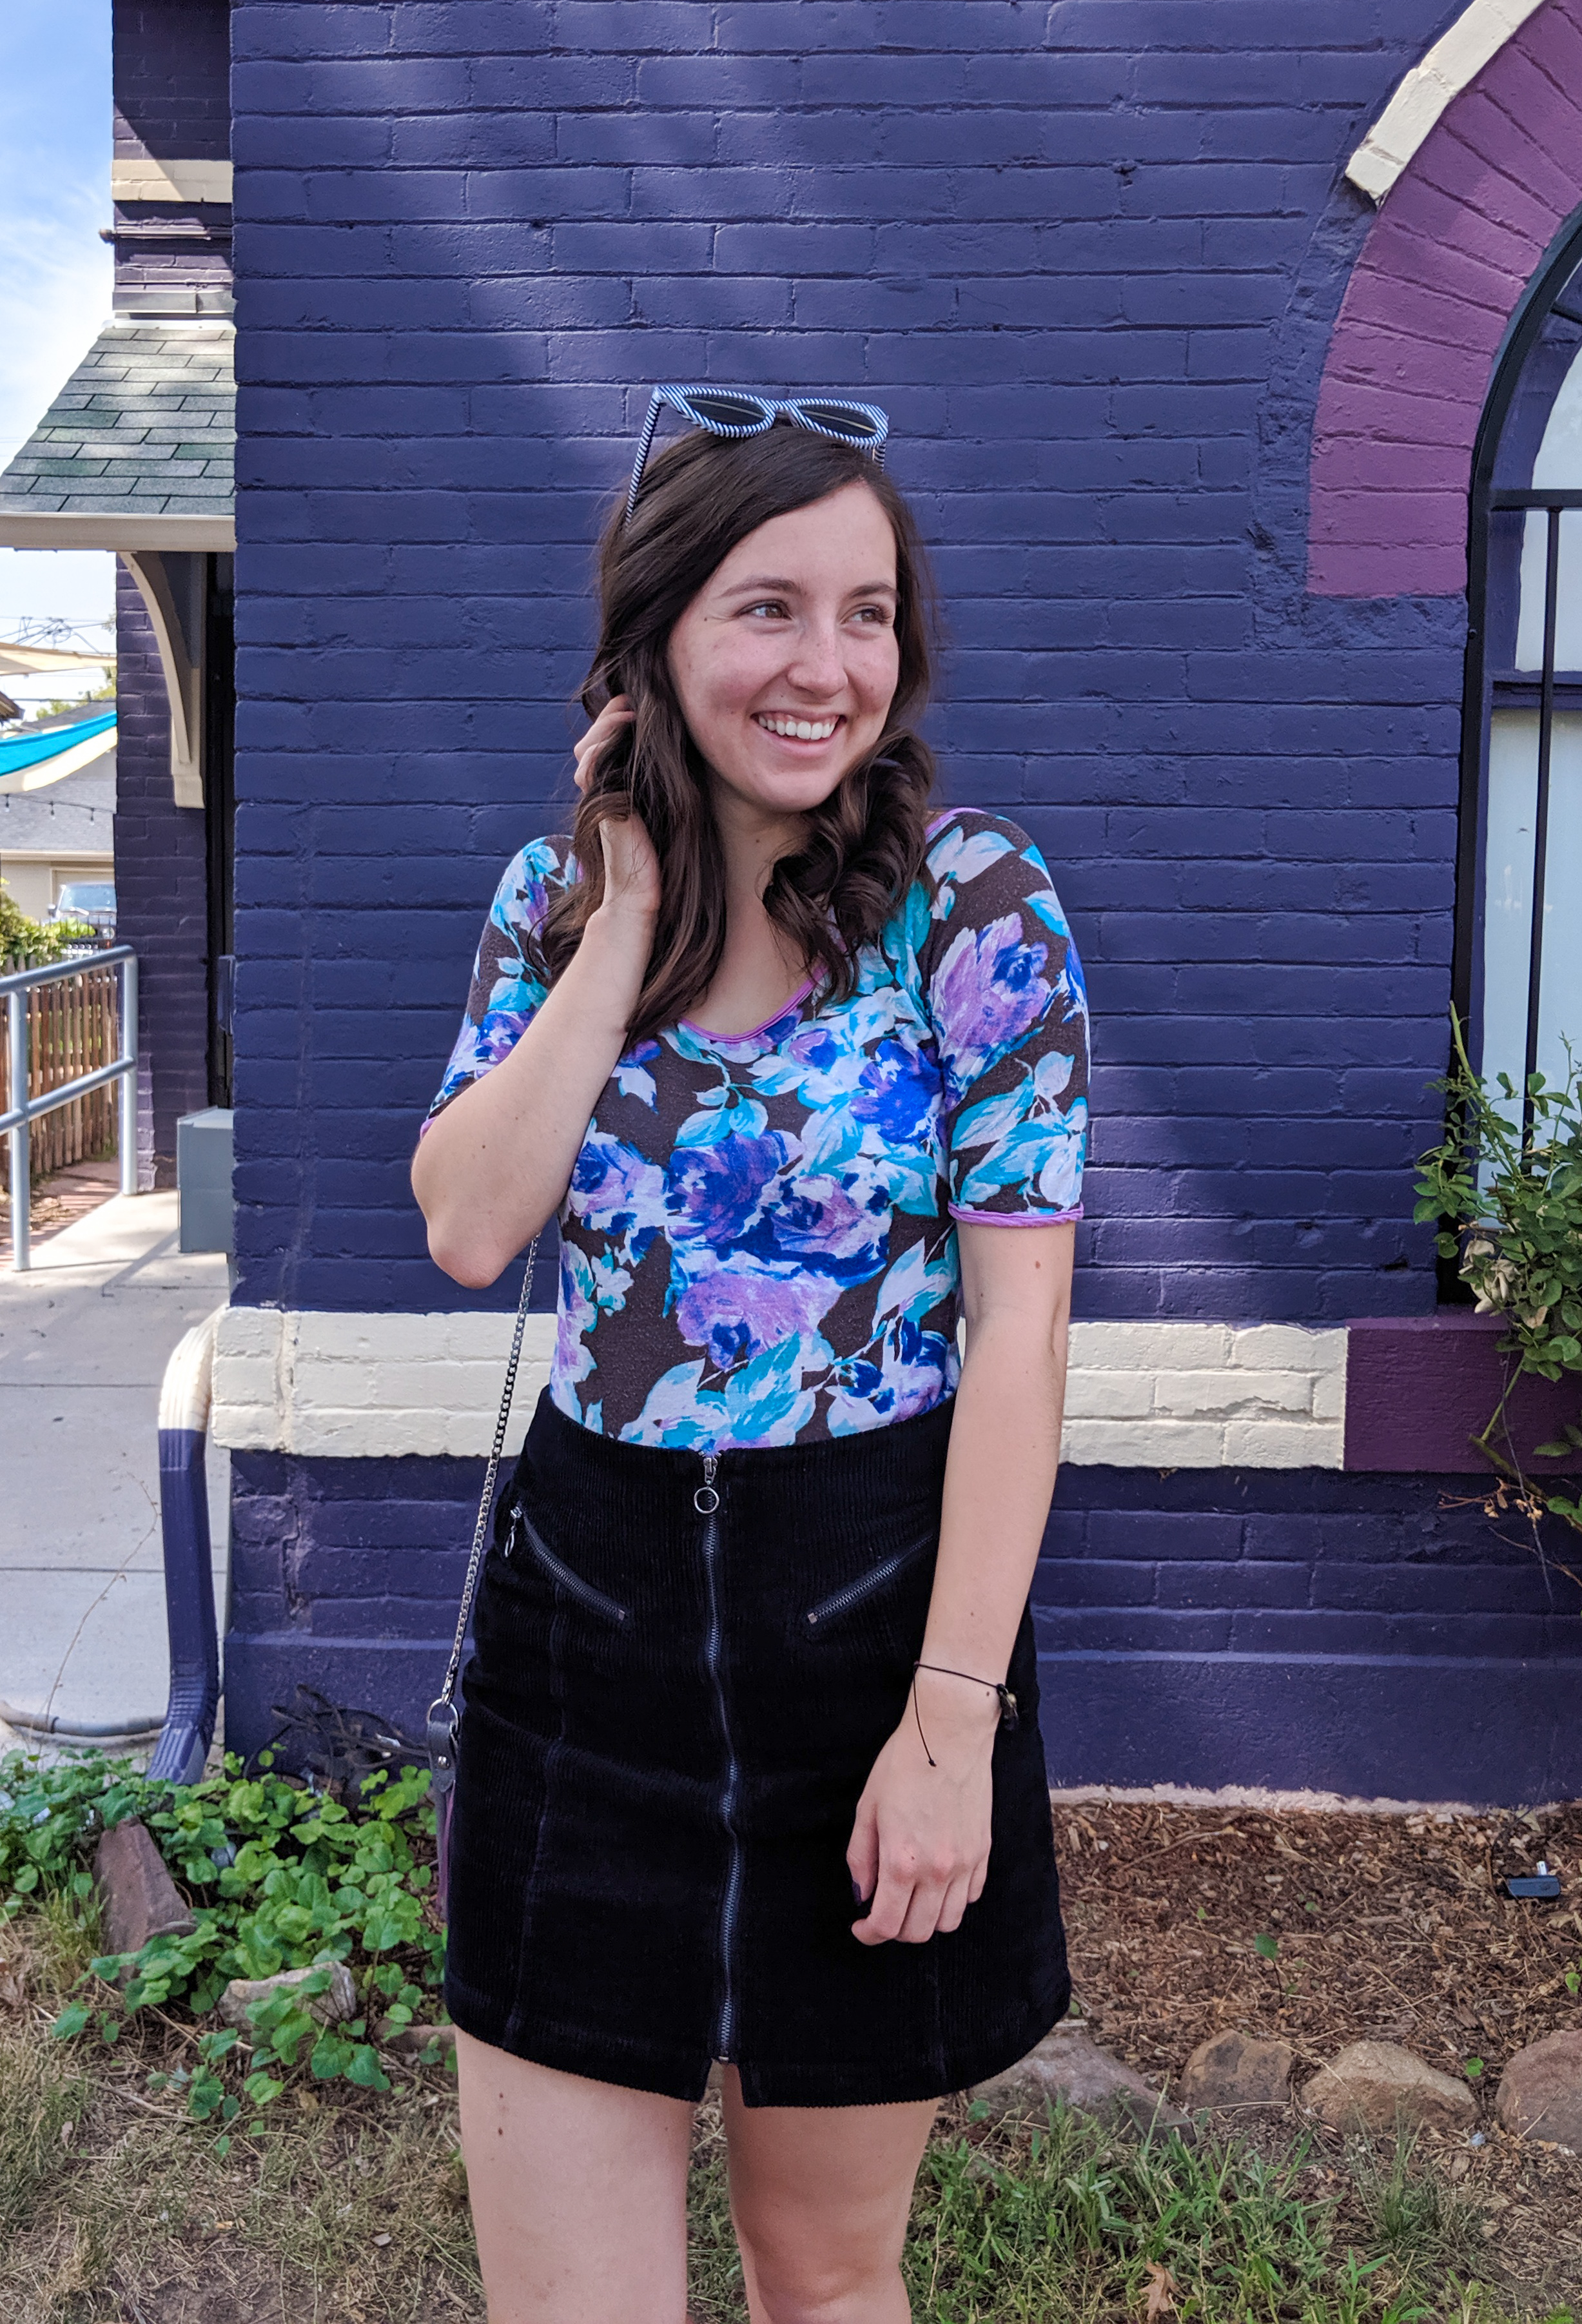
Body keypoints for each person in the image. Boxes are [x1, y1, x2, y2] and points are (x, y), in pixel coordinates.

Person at [411, 389, 1089, 2324]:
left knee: (824, 2275)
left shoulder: (979, 911)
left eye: (866, 613)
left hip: (872, 1628)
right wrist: (627, 912)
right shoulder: (552, 908)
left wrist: (952, 1723)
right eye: (768, 608)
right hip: (586, 1627)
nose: (827, 667)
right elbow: (471, 1224)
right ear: (656, 642)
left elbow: (1020, 1331)